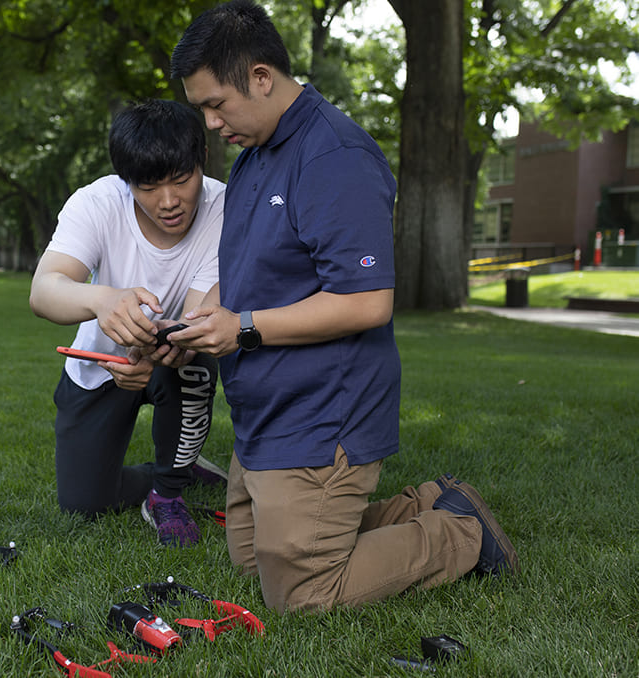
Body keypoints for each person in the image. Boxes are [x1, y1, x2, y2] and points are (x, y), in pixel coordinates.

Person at [166, 0, 519, 610]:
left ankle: (459, 533)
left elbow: (366, 304)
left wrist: (241, 329)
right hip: (266, 411)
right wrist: (197, 323)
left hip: (323, 411)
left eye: (215, 104)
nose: (212, 124)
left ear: (260, 77)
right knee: (253, 560)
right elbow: (245, 270)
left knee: (300, 593)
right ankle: (429, 500)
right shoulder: (254, 159)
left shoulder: (335, 156)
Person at [29, 99, 227, 547]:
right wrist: (103, 300)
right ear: (126, 181)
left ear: (203, 160)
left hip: (174, 363)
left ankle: (168, 492)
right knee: (83, 504)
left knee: (194, 365)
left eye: (182, 179)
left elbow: (198, 322)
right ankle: (181, 465)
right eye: (149, 186)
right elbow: (43, 291)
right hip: (100, 362)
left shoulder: (225, 210)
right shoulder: (96, 202)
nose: (170, 201)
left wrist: (157, 352)